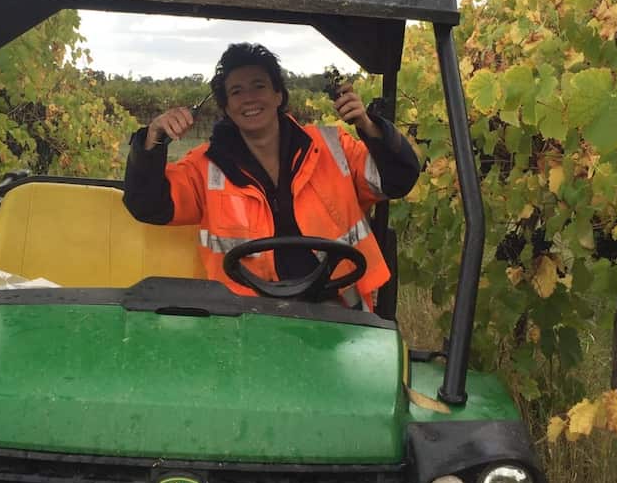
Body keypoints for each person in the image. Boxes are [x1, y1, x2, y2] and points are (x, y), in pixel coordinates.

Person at [122, 42, 420, 311]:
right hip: (248, 320)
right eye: (236, 92)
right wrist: (152, 139)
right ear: (226, 106)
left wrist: (369, 127)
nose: (249, 99)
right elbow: (146, 204)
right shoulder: (205, 167)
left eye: (259, 86)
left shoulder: (333, 147)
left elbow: (398, 179)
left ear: (278, 95)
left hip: (338, 310)